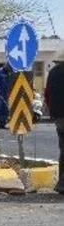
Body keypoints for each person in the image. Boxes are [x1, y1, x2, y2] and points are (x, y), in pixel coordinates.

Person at [44, 61, 64, 194]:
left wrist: (53, 112)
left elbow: (47, 94)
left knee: (63, 149)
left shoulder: (53, 72)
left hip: (59, 116)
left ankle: (61, 183)